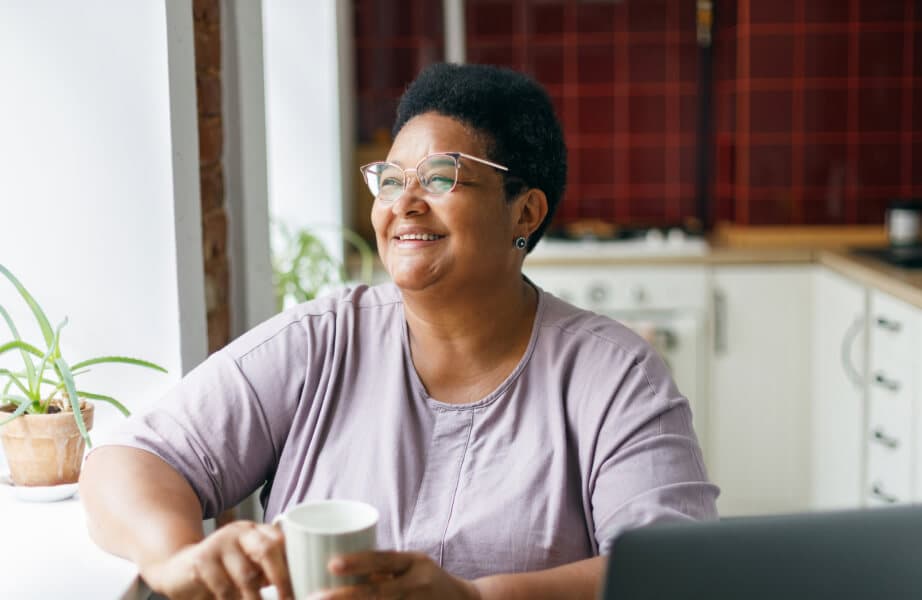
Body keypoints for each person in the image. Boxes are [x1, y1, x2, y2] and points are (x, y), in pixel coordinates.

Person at [80, 62, 718, 600]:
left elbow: (677, 572)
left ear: (524, 210)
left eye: (439, 177)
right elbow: (132, 458)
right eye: (390, 179)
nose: (403, 202)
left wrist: (474, 598)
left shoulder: (614, 376)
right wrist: (176, 555)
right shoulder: (320, 341)